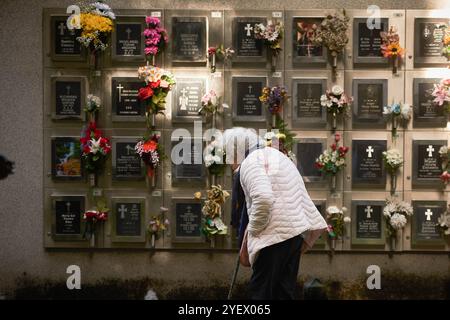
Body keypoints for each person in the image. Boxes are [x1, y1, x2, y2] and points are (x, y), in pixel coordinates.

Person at [224, 127, 327, 300]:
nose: (229, 163)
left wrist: (254, 231)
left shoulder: (251, 162)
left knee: (261, 294)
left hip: (273, 238)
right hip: (294, 233)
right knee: (283, 293)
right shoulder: (277, 156)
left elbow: (264, 198)